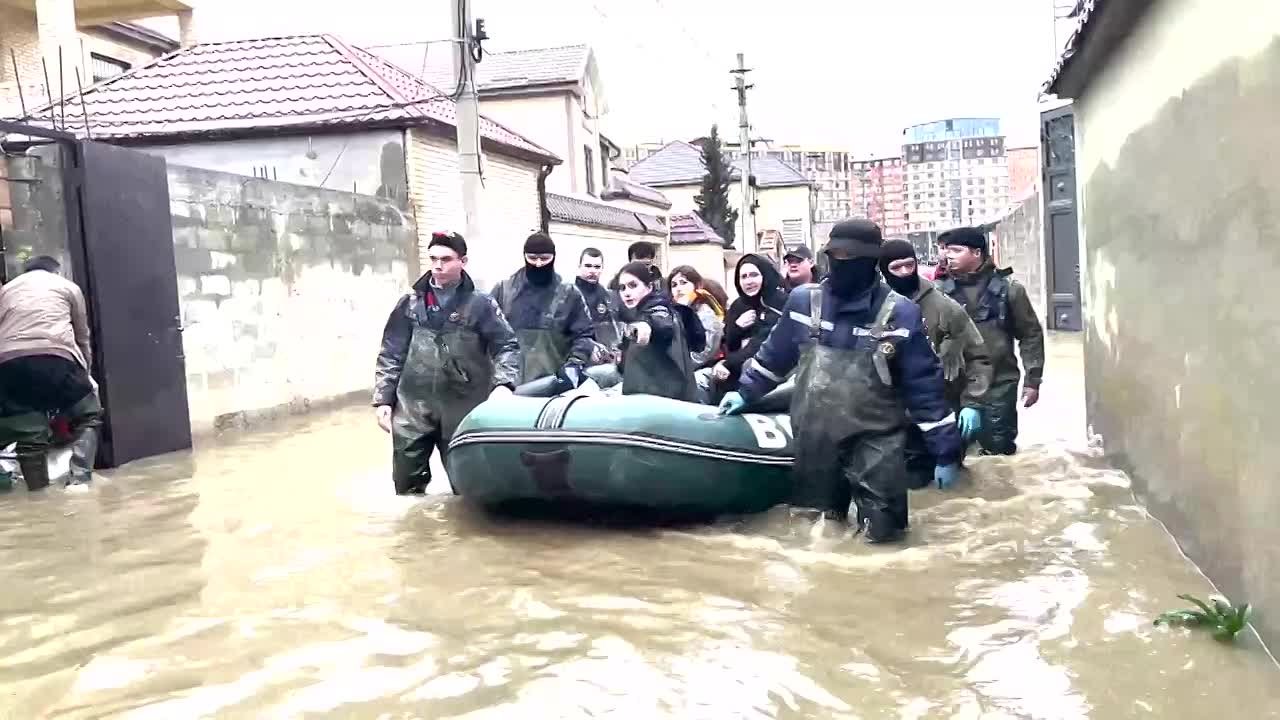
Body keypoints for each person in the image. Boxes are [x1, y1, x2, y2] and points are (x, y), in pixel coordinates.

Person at [719, 219, 962, 544]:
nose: (842, 264)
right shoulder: (803, 301)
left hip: (877, 441)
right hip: (815, 439)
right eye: (837, 256)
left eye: (852, 258)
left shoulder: (900, 313)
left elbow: (924, 386)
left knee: (884, 537)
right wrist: (745, 392)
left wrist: (945, 451)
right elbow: (774, 356)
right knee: (814, 531)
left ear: (871, 261)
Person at [373, 232, 520, 495]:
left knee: (468, 489)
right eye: (433, 259)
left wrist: (504, 385)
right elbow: (391, 352)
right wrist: (384, 399)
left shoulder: (481, 304)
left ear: (463, 261)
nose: (438, 266)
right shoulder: (410, 303)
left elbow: (507, 346)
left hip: (462, 407)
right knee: (407, 489)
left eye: (446, 259)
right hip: (412, 408)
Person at [880, 239, 993, 486]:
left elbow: (978, 356)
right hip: (891, 417)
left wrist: (973, 402)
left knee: (950, 496)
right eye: (896, 268)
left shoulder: (944, 307)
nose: (904, 273)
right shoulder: (874, 308)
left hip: (940, 412)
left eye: (909, 265)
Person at [935, 227, 1045, 455]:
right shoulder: (938, 292)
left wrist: (1032, 380)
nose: (948, 255)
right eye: (947, 250)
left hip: (998, 385)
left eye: (956, 250)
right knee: (953, 454)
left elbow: (1030, 335)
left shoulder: (1009, 290)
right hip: (953, 386)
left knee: (998, 455)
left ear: (977, 253)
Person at [0, 256, 102, 491]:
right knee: (88, 416)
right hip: (55, 356)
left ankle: (38, 494)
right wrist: (85, 373)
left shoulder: (7, 290)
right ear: (56, 271)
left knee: (29, 433)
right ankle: (78, 481)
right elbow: (82, 336)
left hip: (8, 362)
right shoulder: (67, 287)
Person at [491, 232, 595, 387]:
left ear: (554, 257)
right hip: (508, 384)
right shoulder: (503, 291)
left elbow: (584, 335)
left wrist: (574, 365)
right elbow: (490, 336)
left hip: (553, 384)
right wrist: (500, 380)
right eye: (532, 258)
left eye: (545, 258)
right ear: (524, 256)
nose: (538, 264)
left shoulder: (569, 294)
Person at [702, 253, 787, 403]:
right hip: (734, 372)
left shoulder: (779, 302)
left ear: (765, 275)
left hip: (769, 377)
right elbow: (728, 342)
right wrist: (737, 328)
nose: (749, 281)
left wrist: (727, 364)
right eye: (744, 277)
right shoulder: (738, 305)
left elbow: (762, 343)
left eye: (754, 275)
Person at [614, 261, 699, 401]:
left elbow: (661, 324)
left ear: (649, 287)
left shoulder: (659, 310)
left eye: (633, 285)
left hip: (663, 401)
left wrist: (645, 327)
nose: (627, 293)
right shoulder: (636, 314)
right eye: (622, 288)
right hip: (649, 398)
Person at [667, 265, 727, 368]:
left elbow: (703, 354)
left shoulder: (705, 313)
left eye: (683, 283)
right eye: (674, 285)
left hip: (700, 370)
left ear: (698, 286)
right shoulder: (671, 313)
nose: (679, 289)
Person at [575, 247, 623, 365]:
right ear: (579, 266)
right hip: (577, 358)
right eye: (588, 266)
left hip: (607, 359)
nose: (592, 271)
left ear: (602, 268)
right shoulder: (569, 295)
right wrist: (588, 346)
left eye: (597, 267)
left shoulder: (609, 296)